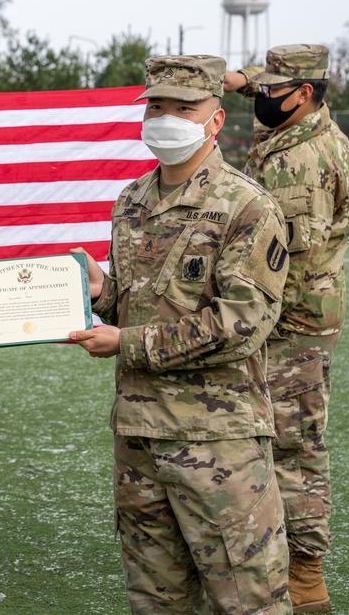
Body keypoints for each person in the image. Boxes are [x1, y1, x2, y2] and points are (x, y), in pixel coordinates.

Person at [69, 55, 293, 614]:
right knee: (156, 599)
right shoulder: (132, 202)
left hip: (218, 441)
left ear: (214, 120)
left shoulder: (247, 205)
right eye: (157, 106)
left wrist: (129, 343)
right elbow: (135, 302)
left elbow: (242, 323)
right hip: (140, 435)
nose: (166, 117)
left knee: (247, 598)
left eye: (183, 107)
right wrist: (101, 293)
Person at [224, 45, 349, 614]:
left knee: (294, 447)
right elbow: (262, 82)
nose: (260, 95)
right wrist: (239, 79)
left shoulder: (302, 162)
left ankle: (305, 576)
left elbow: (280, 263)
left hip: (290, 324)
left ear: (304, 95)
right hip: (290, 321)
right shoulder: (302, 127)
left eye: (270, 89)